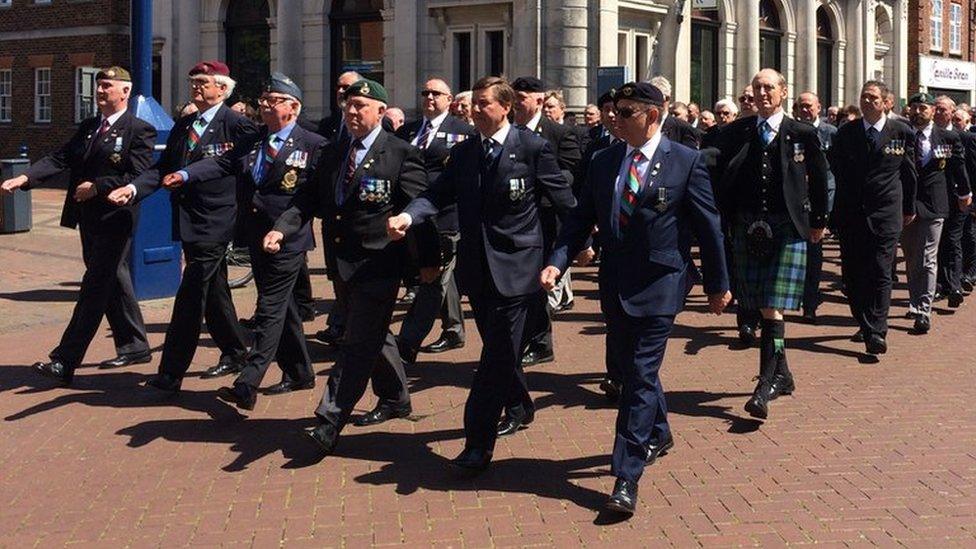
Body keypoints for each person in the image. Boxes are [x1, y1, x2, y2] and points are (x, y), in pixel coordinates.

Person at [541, 81, 730, 515]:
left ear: (653, 114)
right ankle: (658, 432)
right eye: (613, 109)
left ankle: (625, 477)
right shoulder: (604, 161)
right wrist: (558, 261)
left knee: (640, 377)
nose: (615, 117)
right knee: (632, 371)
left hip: (661, 284)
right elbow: (579, 219)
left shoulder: (686, 161)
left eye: (626, 111)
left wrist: (718, 285)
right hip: (616, 283)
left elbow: (708, 227)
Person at [386, 76, 576, 471]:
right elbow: (437, 196)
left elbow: (566, 205)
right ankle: (521, 404)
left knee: (492, 361)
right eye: (472, 104)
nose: (474, 110)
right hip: (478, 270)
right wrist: (408, 214)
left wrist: (562, 257)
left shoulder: (532, 148)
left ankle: (477, 443)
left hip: (521, 271)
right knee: (499, 349)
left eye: (484, 104)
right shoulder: (466, 152)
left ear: (505, 107)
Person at [272, 78, 433, 454]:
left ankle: (330, 419)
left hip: (379, 263)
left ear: (380, 110)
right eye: (348, 105)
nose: (352, 111)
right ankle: (395, 397)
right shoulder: (333, 153)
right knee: (372, 334)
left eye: (361, 105)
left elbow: (419, 210)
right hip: (341, 263)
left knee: (356, 341)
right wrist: (280, 230)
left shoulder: (400, 153)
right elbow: (307, 199)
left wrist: (427, 264)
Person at [147, 73, 327, 402]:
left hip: (288, 239)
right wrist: (185, 173)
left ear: (294, 107)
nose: (265, 105)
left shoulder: (313, 145)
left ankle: (248, 381)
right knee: (284, 307)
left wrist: (285, 228)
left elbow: (310, 198)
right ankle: (300, 371)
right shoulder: (255, 139)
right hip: (255, 235)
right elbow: (222, 163)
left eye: (273, 101)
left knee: (269, 308)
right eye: (264, 100)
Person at [1, 67, 155, 384]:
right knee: (113, 277)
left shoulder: (139, 130)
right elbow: (60, 158)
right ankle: (135, 344)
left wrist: (98, 186)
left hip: (116, 218)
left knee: (95, 285)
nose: (100, 92)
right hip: (89, 218)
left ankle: (65, 359)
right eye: (98, 86)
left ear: (125, 92)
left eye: (107, 87)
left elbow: (137, 176)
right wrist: (25, 177)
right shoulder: (89, 128)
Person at [110, 61, 256, 384]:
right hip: (188, 220)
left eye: (203, 82)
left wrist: (189, 175)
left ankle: (171, 371)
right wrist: (133, 189)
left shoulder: (237, 124)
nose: (196, 87)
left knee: (190, 294)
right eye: (193, 81)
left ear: (222, 88)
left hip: (216, 220)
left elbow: (232, 165)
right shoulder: (185, 124)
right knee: (215, 291)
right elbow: (163, 168)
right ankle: (235, 351)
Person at [709, 70, 829, 419]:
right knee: (764, 306)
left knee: (772, 305)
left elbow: (819, 179)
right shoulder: (736, 132)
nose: (762, 93)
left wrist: (819, 222)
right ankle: (784, 374)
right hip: (748, 226)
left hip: (787, 224)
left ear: (783, 92)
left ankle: (765, 383)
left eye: (769, 88)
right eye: (757, 87)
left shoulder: (802, 133)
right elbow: (714, 164)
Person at [831, 80, 917, 357]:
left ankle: (876, 331)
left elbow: (910, 173)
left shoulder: (901, 132)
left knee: (881, 271)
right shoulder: (846, 134)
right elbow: (837, 171)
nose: (868, 102)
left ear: (885, 102)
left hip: (885, 213)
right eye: (864, 97)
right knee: (853, 277)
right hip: (852, 214)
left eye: (873, 98)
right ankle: (865, 321)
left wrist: (909, 207)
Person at [394, 77, 476, 364]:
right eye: (425, 92)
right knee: (443, 277)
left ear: (449, 99)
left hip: (445, 216)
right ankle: (454, 329)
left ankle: (407, 343)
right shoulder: (407, 131)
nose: (429, 97)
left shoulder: (464, 132)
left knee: (433, 280)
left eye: (436, 93)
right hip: (413, 216)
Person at [511, 76, 580, 374]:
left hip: (543, 218)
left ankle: (540, 342)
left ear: (538, 101)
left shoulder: (558, 133)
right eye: (513, 97)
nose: (516, 103)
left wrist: (543, 181)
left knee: (537, 282)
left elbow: (571, 172)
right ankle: (523, 338)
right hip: (513, 219)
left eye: (522, 97)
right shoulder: (509, 131)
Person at [900, 92, 970, 334]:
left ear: (931, 111)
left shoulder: (948, 137)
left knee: (928, 257)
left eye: (923, 108)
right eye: (914, 108)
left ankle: (923, 310)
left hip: (935, 203)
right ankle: (914, 300)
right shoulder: (901, 134)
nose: (918, 112)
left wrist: (965, 194)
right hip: (906, 205)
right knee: (910, 257)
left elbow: (958, 167)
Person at [311, 71, 362, 347]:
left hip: (358, 216)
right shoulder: (328, 124)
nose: (343, 92)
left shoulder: (380, 128)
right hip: (333, 213)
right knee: (335, 274)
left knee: (354, 279)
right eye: (339, 87)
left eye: (349, 87)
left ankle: (346, 327)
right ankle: (341, 323)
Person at [793, 91, 838, 324]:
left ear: (819, 107)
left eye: (809, 106)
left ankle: (809, 303)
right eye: (800, 106)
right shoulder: (791, 132)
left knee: (813, 253)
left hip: (820, 201)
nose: (805, 110)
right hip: (795, 201)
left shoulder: (830, 133)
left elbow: (838, 168)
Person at [934, 96, 975, 309]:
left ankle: (955, 285)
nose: (939, 113)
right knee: (938, 242)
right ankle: (941, 284)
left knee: (954, 239)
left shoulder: (965, 138)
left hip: (960, 197)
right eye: (937, 109)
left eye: (943, 110)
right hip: (936, 198)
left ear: (951, 112)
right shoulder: (928, 136)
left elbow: (971, 169)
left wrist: (969, 195)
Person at [650, 76, 700, 149]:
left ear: (667, 98)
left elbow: (689, 157)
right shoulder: (642, 124)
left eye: (655, 98)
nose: (651, 103)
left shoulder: (683, 128)